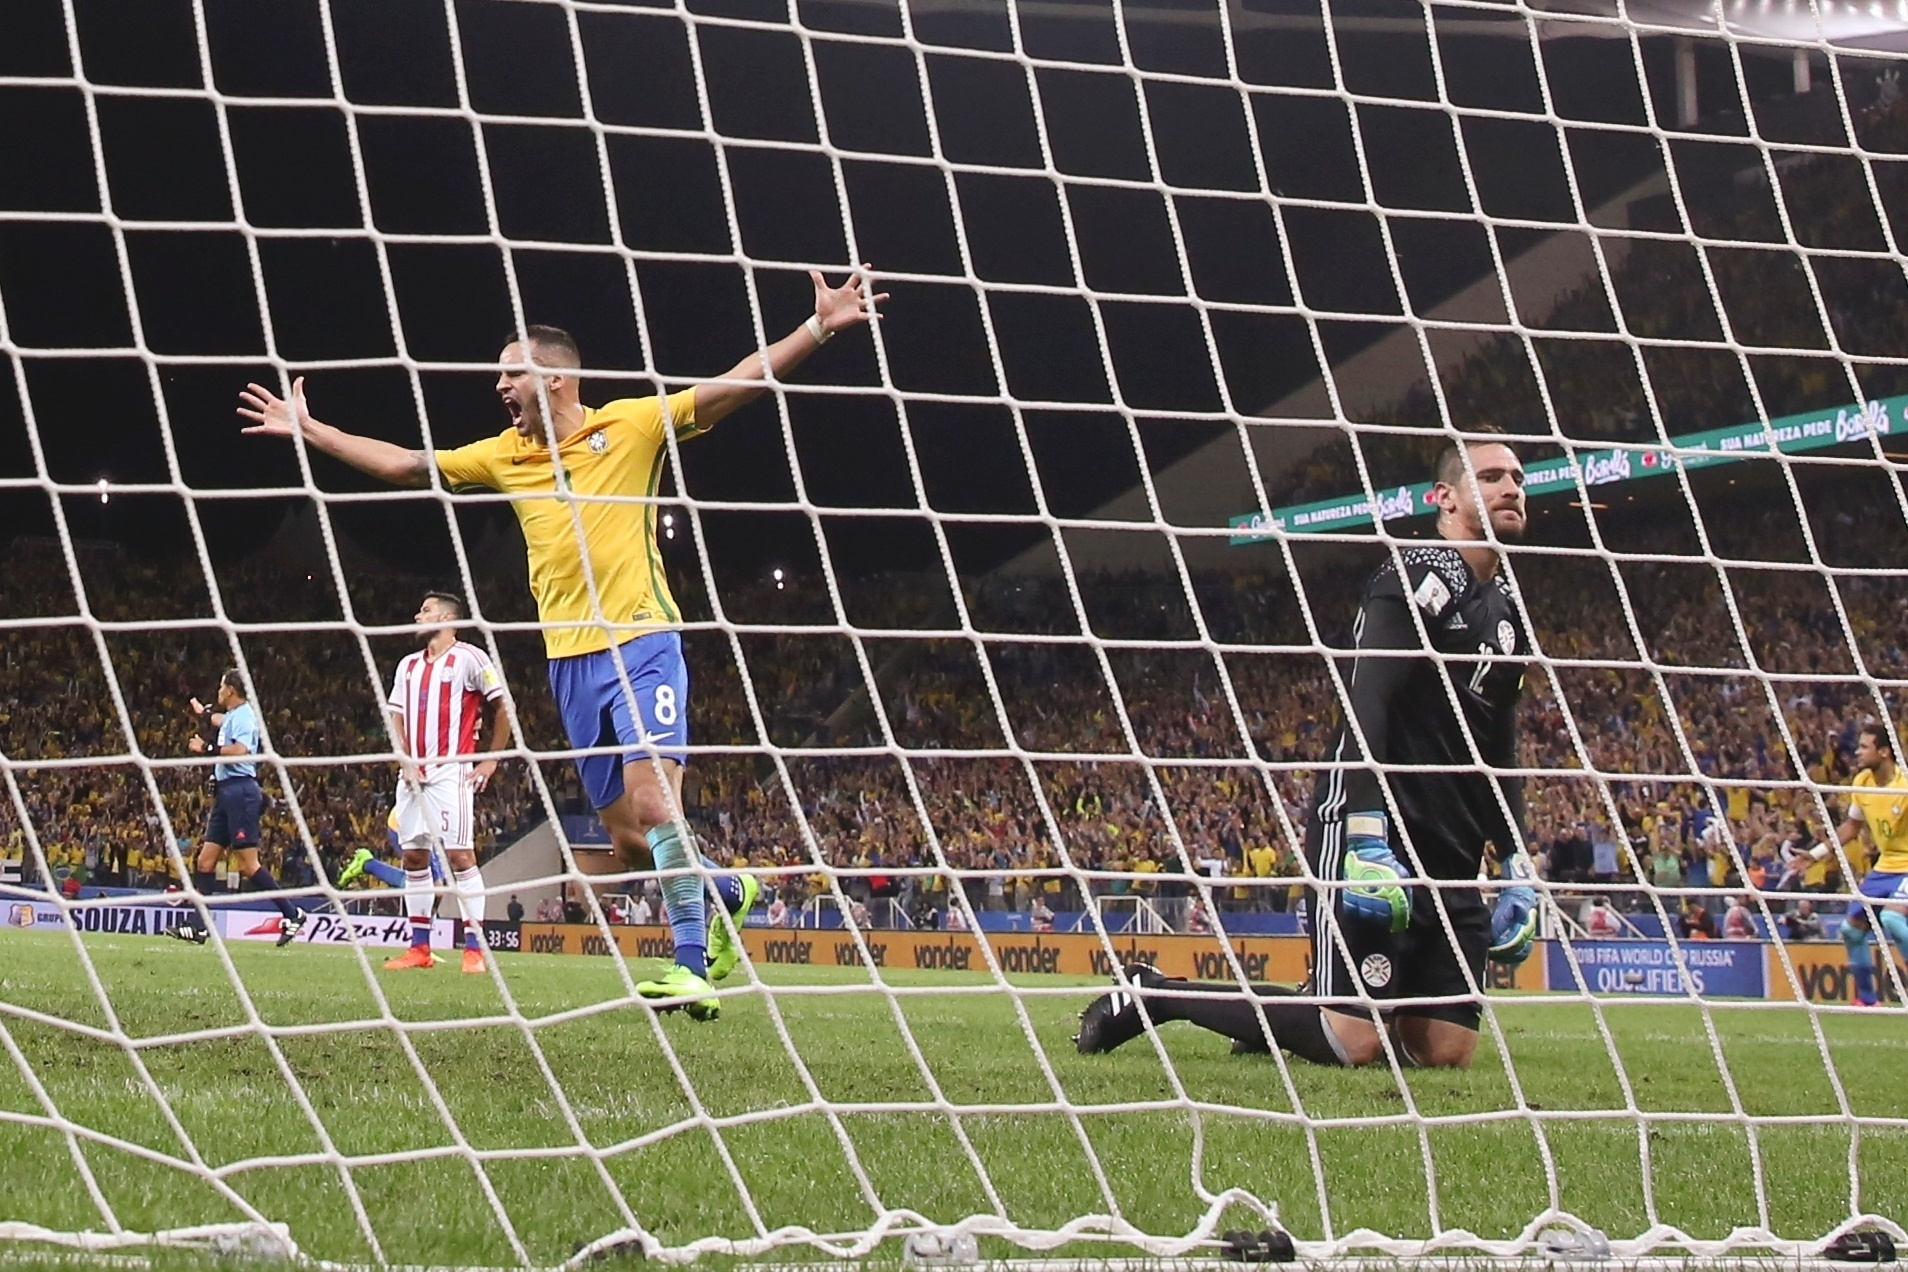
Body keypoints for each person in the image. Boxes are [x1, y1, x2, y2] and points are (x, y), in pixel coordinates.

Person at [238, 269, 884, 1019]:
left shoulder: (632, 425)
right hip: (569, 665)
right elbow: (409, 465)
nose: (500, 387)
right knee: (626, 839)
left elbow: (732, 385)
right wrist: (312, 430)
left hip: (642, 642)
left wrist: (818, 328)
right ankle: (727, 889)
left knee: (653, 803)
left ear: (554, 377)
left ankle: (688, 966)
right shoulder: (504, 456)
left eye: (511, 373)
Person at [1075, 435, 1534, 1069]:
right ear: (1444, 499)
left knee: (1446, 1050)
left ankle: (1284, 1020)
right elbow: (1367, 701)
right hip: (1380, 824)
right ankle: (1157, 993)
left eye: (1516, 474)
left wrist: (1514, 856)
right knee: (1356, 1042)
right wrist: (1365, 833)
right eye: (1490, 476)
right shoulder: (1415, 573)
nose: (1512, 486)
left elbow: (1500, 745)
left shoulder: (1509, 613)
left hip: (1451, 844)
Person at [367, 592, 509, 976]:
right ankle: (419, 948)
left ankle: (474, 950)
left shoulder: (470, 658)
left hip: (451, 770)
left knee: (460, 856)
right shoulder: (408, 666)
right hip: (412, 775)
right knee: (413, 857)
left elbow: (502, 706)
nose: (417, 615)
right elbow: (395, 715)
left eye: (426, 610)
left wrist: (491, 758)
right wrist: (403, 758)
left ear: (448, 620)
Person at [171, 670, 306, 947]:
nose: (218, 691)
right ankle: (198, 927)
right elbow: (221, 721)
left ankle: (293, 914)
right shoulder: (234, 715)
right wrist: (204, 713)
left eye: (221, 686)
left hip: (241, 791)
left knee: (248, 865)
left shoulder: (244, 716)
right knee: (205, 862)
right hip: (226, 793)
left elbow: (242, 749)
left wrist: (206, 747)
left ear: (231, 689)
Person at [1830, 724, 1908, 951]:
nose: (1857, 752)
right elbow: (1852, 826)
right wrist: (1816, 853)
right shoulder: (1862, 781)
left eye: (1864, 747)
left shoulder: (1904, 786)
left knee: (1892, 919)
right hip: (1885, 866)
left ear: (1884, 752)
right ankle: (1866, 989)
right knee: (1850, 931)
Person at [1842, 908, 1881, 1006]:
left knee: (1862, 969)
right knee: (1862, 970)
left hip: (1860, 959)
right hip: (1856, 930)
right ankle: (1867, 999)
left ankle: (1869, 999)